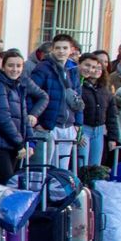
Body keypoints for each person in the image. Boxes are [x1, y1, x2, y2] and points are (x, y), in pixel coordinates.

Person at [30, 35, 83, 166]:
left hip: (69, 125)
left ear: (71, 50)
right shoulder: (43, 68)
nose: (61, 51)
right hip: (49, 125)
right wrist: (37, 120)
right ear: (52, 49)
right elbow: (32, 94)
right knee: (45, 166)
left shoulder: (73, 70)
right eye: (58, 48)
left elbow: (78, 97)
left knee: (62, 169)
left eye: (65, 48)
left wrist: (78, 123)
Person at [0, 50, 38, 183]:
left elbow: (24, 116)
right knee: (5, 183)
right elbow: (2, 118)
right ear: (3, 67)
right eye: (10, 65)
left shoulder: (18, 86)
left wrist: (30, 141)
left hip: (13, 144)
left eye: (18, 66)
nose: (14, 69)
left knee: (11, 184)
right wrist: (19, 143)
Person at [77, 54, 121, 167]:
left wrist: (112, 138)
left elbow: (112, 116)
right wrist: (78, 132)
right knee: (82, 162)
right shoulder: (79, 87)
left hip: (99, 130)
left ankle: (92, 183)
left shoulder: (105, 90)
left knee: (95, 164)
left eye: (100, 68)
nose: (97, 71)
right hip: (84, 128)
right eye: (94, 68)